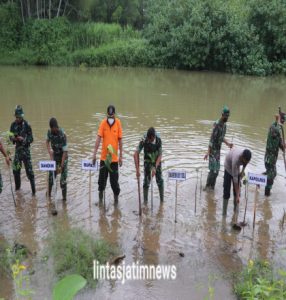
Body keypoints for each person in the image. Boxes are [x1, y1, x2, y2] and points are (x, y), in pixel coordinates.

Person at [93, 105, 123, 204]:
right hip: (104, 159)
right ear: (107, 114)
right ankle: (101, 202)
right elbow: (98, 138)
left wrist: (121, 156)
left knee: (114, 183)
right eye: (109, 116)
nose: (110, 117)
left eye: (112, 115)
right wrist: (94, 154)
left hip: (114, 160)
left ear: (114, 114)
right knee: (101, 182)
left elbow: (120, 140)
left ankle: (116, 202)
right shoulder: (103, 123)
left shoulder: (118, 123)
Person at [204, 106, 233, 190]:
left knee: (217, 171)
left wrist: (228, 144)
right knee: (213, 170)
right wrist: (208, 152)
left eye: (228, 116)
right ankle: (207, 186)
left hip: (218, 151)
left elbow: (221, 137)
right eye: (225, 116)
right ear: (222, 114)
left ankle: (212, 187)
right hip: (212, 150)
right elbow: (211, 139)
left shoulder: (224, 126)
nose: (227, 118)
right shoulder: (216, 124)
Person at [10, 105, 36, 195]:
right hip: (17, 150)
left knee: (30, 173)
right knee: (15, 170)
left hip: (26, 151)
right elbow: (10, 137)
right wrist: (14, 138)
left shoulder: (27, 125)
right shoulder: (13, 125)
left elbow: (31, 138)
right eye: (16, 117)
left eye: (19, 117)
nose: (17, 119)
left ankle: (34, 194)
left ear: (22, 116)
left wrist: (23, 139)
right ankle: (18, 191)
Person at [134, 127, 164, 203]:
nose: (149, 141)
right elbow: (135, 154)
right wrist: (137, 170)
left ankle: (162, 202)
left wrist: (155, 167)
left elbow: (160, 155)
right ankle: (145, 203)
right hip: (147, 160)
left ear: (153, 137)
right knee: (146, 182)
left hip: (157, 160)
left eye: (150, 140)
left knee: (160, 180)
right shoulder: (144, 139)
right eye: (148, 139)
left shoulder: (158, 140)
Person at [223, 148, 252, 216]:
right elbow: (235, 180)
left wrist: (242, 171)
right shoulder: (236, 160)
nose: (246, 162)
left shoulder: (246, 158)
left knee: (237, 193)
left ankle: (235, 212)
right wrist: (238, 195)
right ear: (242, 157)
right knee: (227, 191)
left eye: (247, 161)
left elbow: (245, 163)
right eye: (245, 161)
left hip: (236, 168)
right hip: (228, 167)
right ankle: (224, 214)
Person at [264, 108, 285, 196]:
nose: (284, 123)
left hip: (272, 159)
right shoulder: (275, 128)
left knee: (273, 173)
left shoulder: (278, 128)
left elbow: (281, 145)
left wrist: (283, 146)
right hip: (269, 158)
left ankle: (264, 178)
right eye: (283, 120)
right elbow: (274, 133)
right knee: (271, 176)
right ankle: (267, 194)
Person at [46, 117, 68, 200]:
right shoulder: (49, 132)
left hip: (63, 157)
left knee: (63, 180)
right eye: (52, 129)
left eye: (54, 128)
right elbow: (47, 141)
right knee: (51, 178)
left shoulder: (62, 134)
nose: (53, 130)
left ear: (56, 127)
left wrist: (62, 165)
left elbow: (65, 151)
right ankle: (48, 196)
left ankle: (64, 200)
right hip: (55, 156)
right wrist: (50, 152)